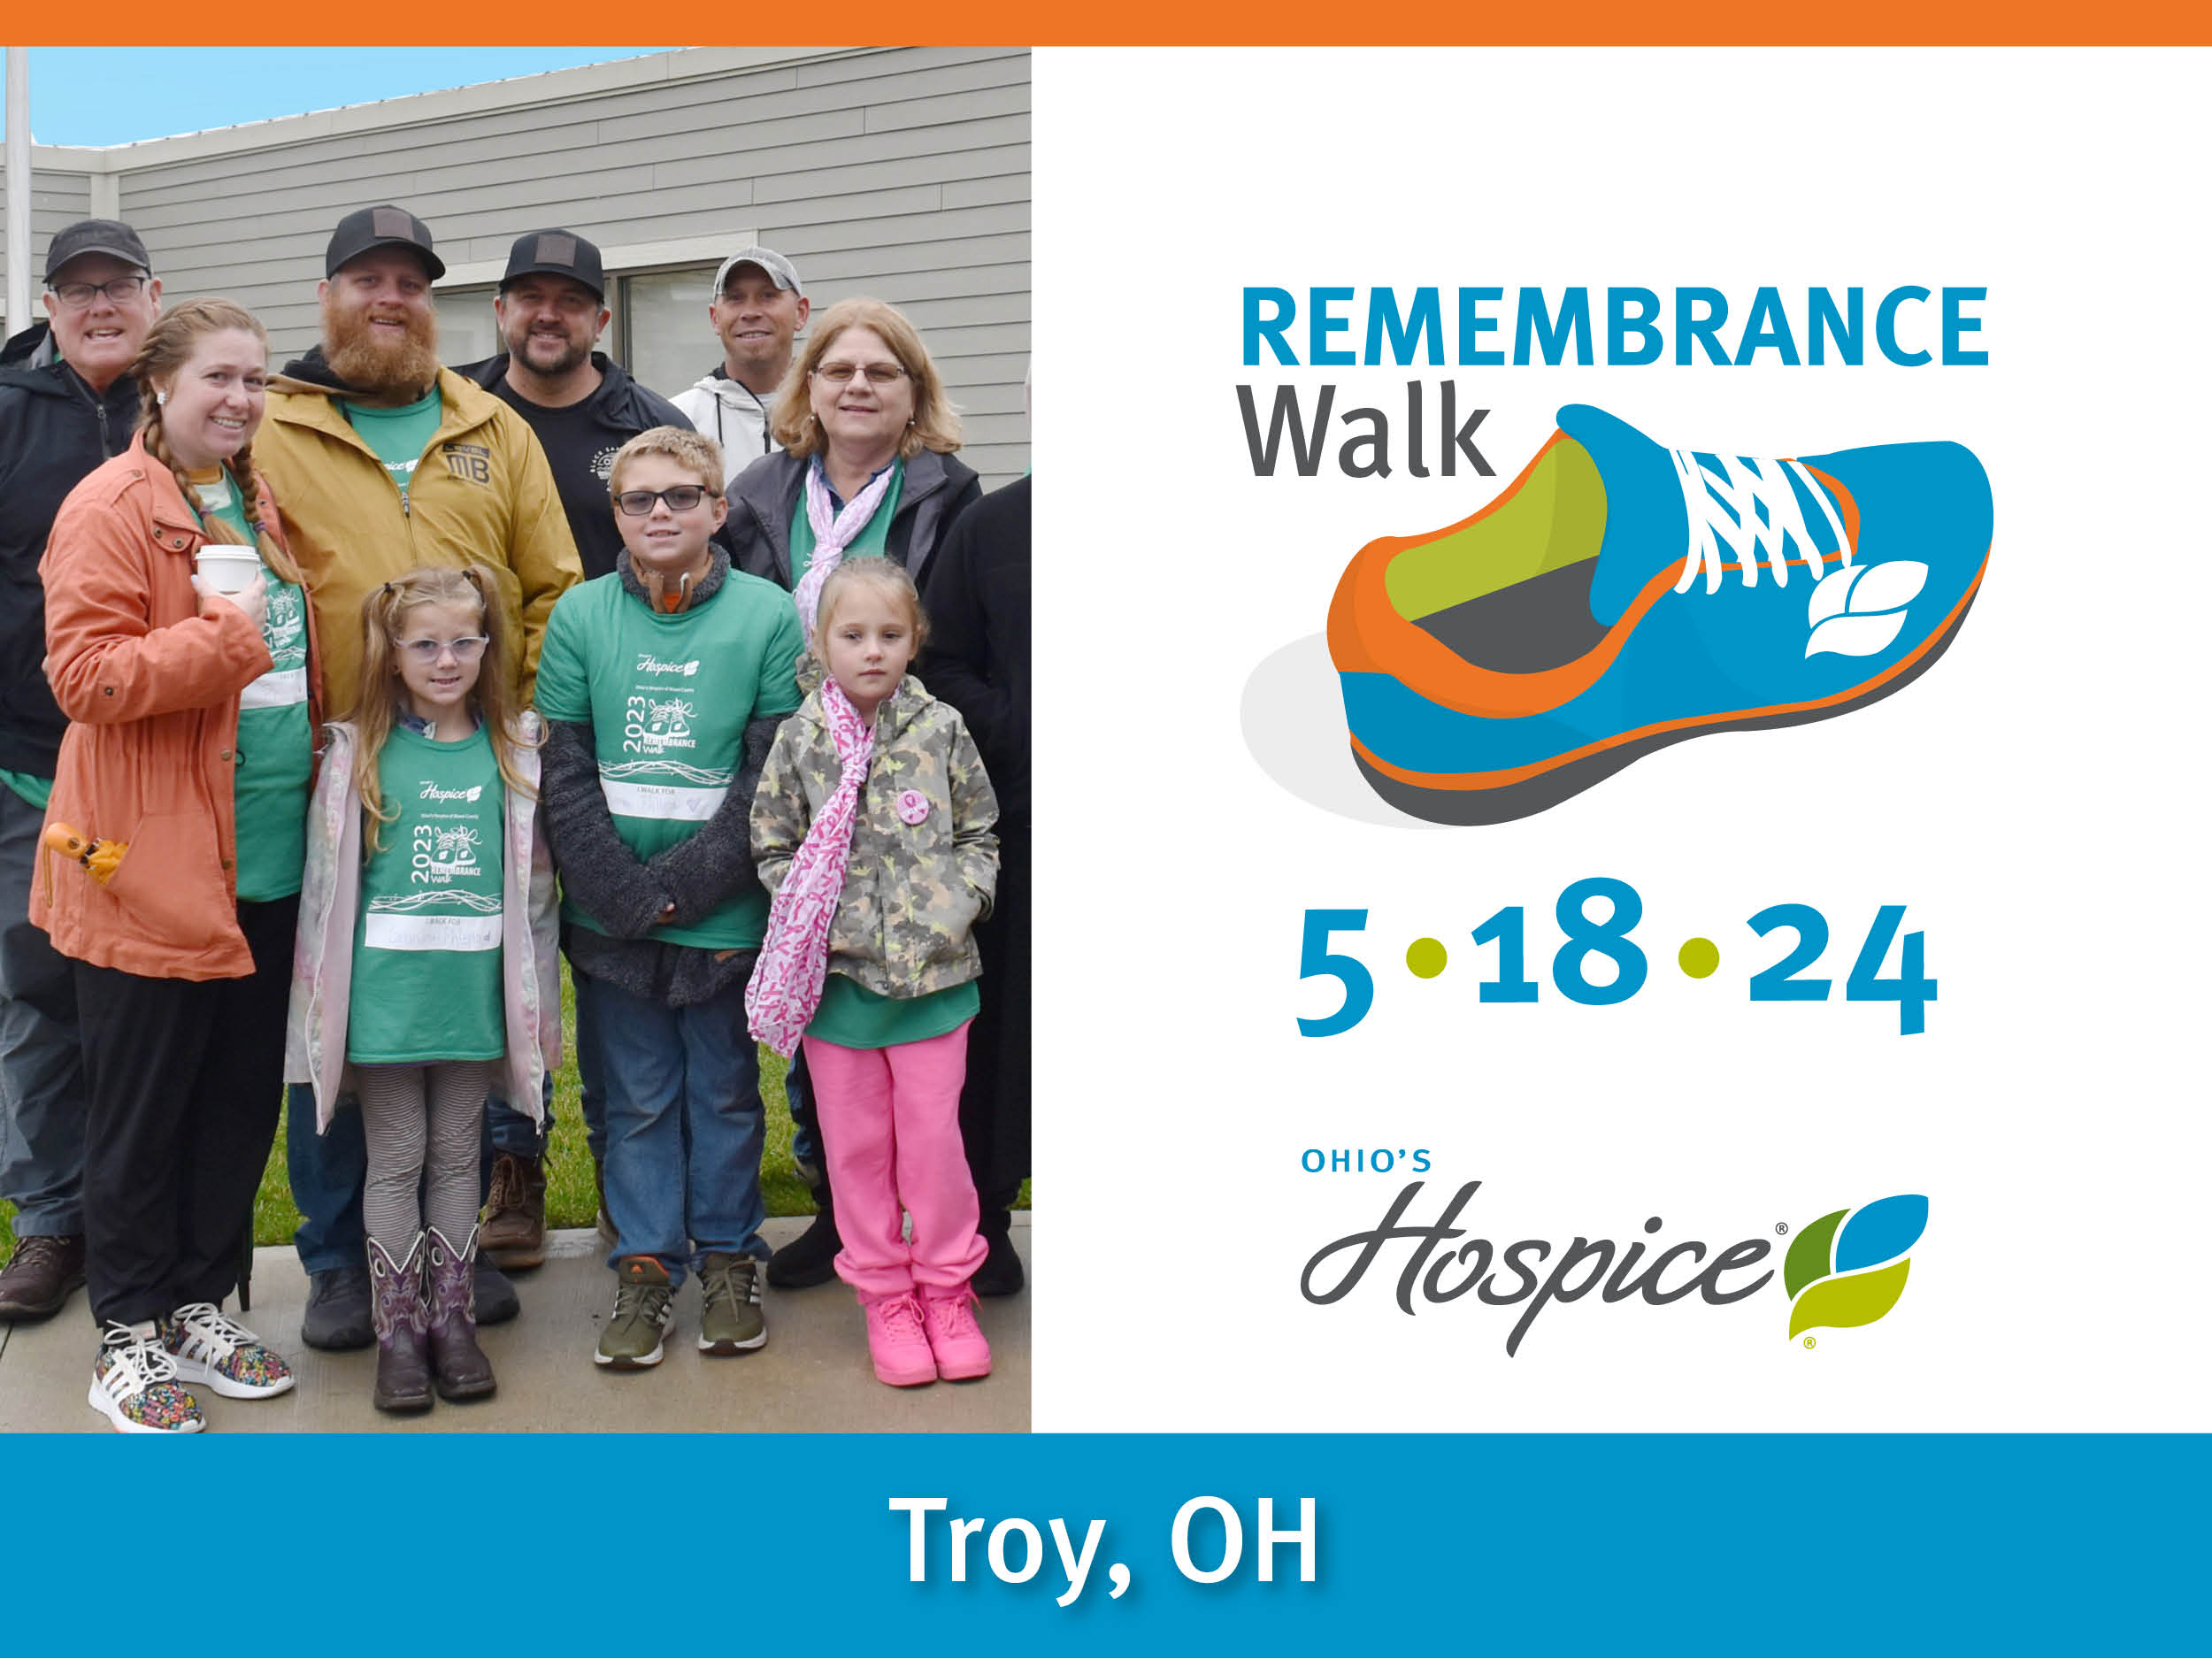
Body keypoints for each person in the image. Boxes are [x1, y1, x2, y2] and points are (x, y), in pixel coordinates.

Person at [254, 204, 583, 1351]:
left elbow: (551, 586)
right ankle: (345, 1260)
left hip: (467, 773)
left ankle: (443, 1252)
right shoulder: (274, 427)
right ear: (327, 296)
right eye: (365, 279)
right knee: (339, 1017)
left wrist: (508, 720)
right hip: (334, 783)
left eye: (408, 281)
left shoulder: (492, 425)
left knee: (454, 1000)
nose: (388, 298)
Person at [34, 298, 319, 1432]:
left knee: (235, 1101)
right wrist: (226, 641)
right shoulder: (110, 505)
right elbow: (86, 678)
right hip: (148, 863)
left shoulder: (254, 497)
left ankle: (201, 1302)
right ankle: (129, 1331)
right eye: (218, 378)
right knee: (142, 1111)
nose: (241, 399)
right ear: (159, 385)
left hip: (268, 862)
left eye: (255, 380)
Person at [725, 296, 983, 1288]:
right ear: (809, 387)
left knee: (902, 1003)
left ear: (913, 393)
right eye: (839, 371)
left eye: (882, 372)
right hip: (791, 759)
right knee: (814, 975)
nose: (859, 386)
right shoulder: (758, 492)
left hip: (909, 767)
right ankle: (841, 1212)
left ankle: (941, 1230)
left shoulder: (945, 496)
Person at [534, 426, 804, 1370]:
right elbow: (563, 772)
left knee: (725, 1094)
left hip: (723, 913)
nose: (661, 513)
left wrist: (684, 888)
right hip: (609, 917)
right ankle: (646, 1266)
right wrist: (621, 892)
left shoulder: (769, 617)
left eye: (682, 496)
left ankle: (729, 1258)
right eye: (640, 498)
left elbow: (771, 772)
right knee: (640, 1099)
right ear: (616, 515)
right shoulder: (579, 617)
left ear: (717, 509)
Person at [459, 228, 701, 1266]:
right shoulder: (458, 411)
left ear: (601, 317)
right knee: (504, 954)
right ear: (502, 311)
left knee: (609, 956)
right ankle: (511, 1166)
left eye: (569, 299)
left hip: (629, 735)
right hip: (482, 727)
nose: (546, 315)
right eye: (528, 297)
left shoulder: (649, 425)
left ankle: (621, 1173)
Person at [288, 568, 557, 1411]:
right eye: (426, 645)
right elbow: (328, 900)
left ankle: (453, 1320)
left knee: (457, 1157)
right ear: (392, 651)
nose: (448, 660)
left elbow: (535, 896)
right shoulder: (355, 753)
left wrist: (537, 1007)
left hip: (471, 1000)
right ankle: (396, 1328)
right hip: (389, 1007)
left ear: (488, 645)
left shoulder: (514, 749)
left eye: (465, 642)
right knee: (397, 1158)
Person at [748, 557, 1000, 1387]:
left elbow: (980, 833)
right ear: (819, 643)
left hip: (934, 986)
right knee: (856, 1151)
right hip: (840, 990)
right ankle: (887, 1297)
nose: (871, 651)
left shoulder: (942, 729)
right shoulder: (801, 740)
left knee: (932, 1148)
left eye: (890, 635)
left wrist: (957, 902)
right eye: (851, 635)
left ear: (915, 640)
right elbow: (773, 842)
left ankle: (947, 1290)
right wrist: (826, 915)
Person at [0, 220, 162, 1324]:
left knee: (154, 999)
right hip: (31, 772)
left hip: (167, 771)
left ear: (155, 297)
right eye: (78, 291)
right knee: (40, 989)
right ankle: (53, 1216)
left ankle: (144, 1218)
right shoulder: (9, 411)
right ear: (50, 308)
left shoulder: (200, 405)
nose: (99, 306)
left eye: (118, 287)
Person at [918, 468, 1032, 1296]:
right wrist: (1026, 726)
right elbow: (944, 662)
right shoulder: (993, 527)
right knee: (1004, 1032)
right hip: (1022, 817)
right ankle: (988, 1212)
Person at [670, 247, 809, 488]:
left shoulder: (832, 411)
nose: (751, 312)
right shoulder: (679, 420)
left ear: (801, 313)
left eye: (768, 296)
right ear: (715, 317)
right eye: (735, 298)